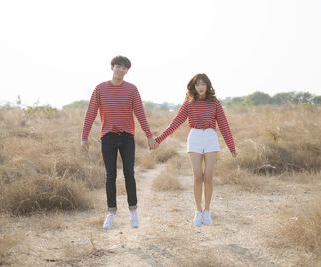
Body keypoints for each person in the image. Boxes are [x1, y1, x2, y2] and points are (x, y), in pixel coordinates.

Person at [81, 55, 156, 229]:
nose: (121, 70)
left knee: (129, 173)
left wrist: (149, 135)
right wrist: (84, 137)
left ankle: (133, 211)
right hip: (108, 137)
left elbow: (140, 114)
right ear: (112, 67)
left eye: (125, 68)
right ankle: (111, 212)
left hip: (127, 137)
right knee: (110, 175)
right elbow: (90, 113)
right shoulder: (100, 89)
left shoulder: (131, 89)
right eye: (118, 67)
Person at [154, 73, 237, 226]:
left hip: (211, 137)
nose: (200, 87)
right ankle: (198, 211)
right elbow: (175, 123)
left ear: (207, 86)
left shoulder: (215, 103)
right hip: (195, 138)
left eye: (203, 84)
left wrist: (231, 147)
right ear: (193, 86)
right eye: (198, 84)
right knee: (198, 177)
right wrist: (159, 139)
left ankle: (207, 210)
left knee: (209, 177)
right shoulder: (189, 103)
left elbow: (224, 126)